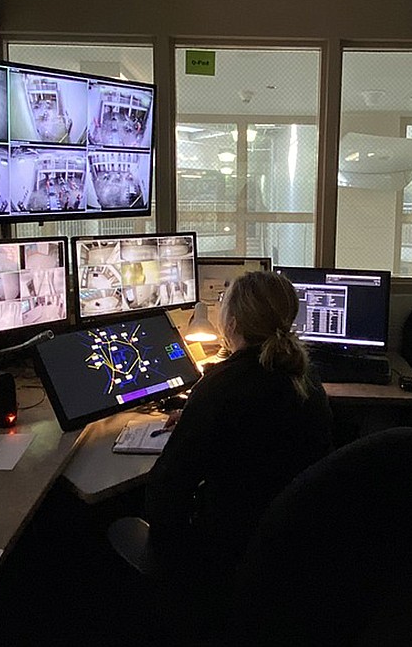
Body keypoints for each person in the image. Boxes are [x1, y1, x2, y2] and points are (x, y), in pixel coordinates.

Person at [143, 270, 334, 641]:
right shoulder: (305, 377)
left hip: (229, 549)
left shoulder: (220, 386)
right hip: (295, 546)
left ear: (231, 322)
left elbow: (166, 494)